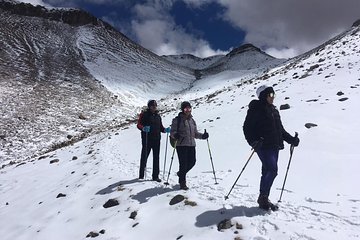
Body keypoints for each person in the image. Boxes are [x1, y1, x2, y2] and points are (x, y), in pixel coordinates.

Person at [243, 85, 299, 210]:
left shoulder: (274, 110)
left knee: (267, 171)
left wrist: (291, 140)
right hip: (263, 146)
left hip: (274, 145)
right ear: (263, 95)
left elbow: (280, 130)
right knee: (272, 170)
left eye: (274, 94)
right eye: (270, 95)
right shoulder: (256, 109)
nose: (273, 97)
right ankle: (263, 197)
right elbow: (247, 128)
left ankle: (264, 198)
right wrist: (253, 142)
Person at [170, 101, 209, 190]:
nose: (188, 110)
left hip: (191, 145)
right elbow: (172, 132)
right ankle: (182, 182)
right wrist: (175, 135)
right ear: (182, 110)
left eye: (189, 108)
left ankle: (181, 173)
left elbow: (195, 133)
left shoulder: (192, 120)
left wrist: (203, 136)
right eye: (186, 109)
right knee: (183, 164)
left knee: (192, 162)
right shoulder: (177, 120)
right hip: (181, 145)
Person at [137, 100, 170, 182]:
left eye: (155, 105)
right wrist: (143, 128)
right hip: (147, 139)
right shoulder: (144, 115)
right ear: (149, 106)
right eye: (152, 105)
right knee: (144, 157)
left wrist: (165, 130)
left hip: (157, 139)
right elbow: (139, 125)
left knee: (156, 157)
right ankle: (141, 175)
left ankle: (155, 176)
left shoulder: (158, 116)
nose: (154, 107)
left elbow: (161, 127)